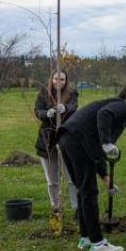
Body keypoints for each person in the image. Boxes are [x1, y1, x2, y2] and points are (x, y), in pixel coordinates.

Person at [57, 98, 126, 251]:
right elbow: (105, 114)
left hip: (66, 137)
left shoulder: (99, 119)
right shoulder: (124, 107)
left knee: (83, 191)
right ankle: (98, 244)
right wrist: (108, 143)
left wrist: (106, 177)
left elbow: (97, 151)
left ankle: (86, 237)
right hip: (77, 140)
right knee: (89, 192)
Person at [34, 71, 80, 227]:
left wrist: (65, 108)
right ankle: (56, 207)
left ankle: (77, 208)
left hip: (66, 141)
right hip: (47, 142)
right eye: (55, 78)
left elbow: (74, 107)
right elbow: (37, 111)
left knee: (72, 178)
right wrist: (47, 113)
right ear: (51, 79)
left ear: (66, 81)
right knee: (52, 180)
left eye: (62, 79)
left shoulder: (72, 94)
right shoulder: (43, 94)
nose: (58, 82)